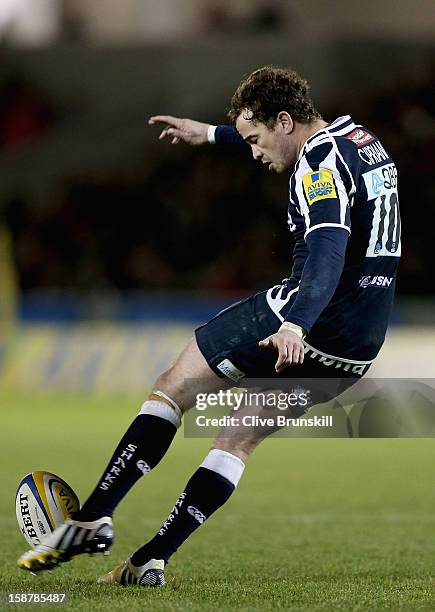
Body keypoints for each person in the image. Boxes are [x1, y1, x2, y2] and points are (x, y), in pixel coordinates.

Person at [17, 66, 401, 587]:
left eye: (255, 139)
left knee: (173, 387)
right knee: (236, 439)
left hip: (309, 316)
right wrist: (210, 133)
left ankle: (91, 517)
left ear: (284, 121)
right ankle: (149, 560)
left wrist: (295, 326)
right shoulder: (360, 138)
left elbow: (328, 254)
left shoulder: (314, 166)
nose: (254, 153)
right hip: (358, 343)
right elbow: (332, 197)